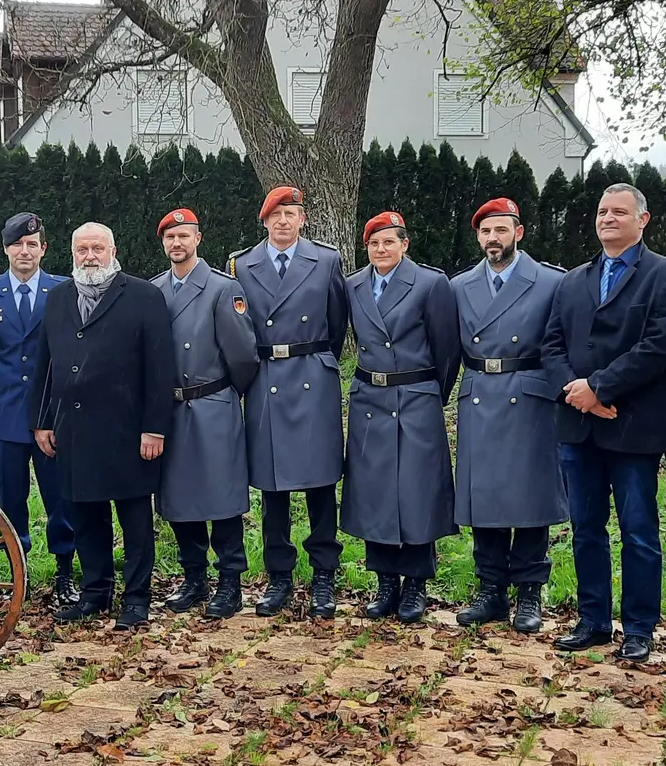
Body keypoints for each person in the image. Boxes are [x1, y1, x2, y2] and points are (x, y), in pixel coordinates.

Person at [543, 183, 666, 662]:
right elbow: (551, 345)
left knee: (638, 529)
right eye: (603, 211)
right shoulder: (572, 280)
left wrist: (601, 389)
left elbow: (658, 347)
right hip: (579, 425)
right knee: (586, 527)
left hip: (632, 424)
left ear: (642, 220)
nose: (608, 218)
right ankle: (592, 620)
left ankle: (640, 628)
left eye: (620, 212)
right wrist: (579, 394)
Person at [31, 222, 176, 630]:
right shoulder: (58, 298)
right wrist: (41, 421)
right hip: (74, 428)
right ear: (72, 253)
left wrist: (155, 427)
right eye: (82, 249)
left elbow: (160, 367)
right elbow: (46, 365)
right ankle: (95, 593)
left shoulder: (144, 296)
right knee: (85, 515)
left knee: (134, 518)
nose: (89, 256)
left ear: (113, 250)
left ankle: (136, 599)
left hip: (128, 431)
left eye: (97, 248)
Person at [226, 186, 349, 618]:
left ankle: (324, 575)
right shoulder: (242, 264)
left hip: (312, 374)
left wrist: (315, 360)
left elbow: (336, 326)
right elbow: (239, 327)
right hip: (265, 377)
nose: (283, 221)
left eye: (291, 213)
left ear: (303, 219)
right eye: (276, 214)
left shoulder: (327, 260)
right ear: (264, 221)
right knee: (272, 485)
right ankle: (278, 576)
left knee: (319, 482)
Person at [451, 198, 568, 633]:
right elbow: (450, 348)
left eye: (501, 230)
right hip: (480, 391)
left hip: (530, 396)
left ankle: (530, 593)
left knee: (529, 499)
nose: (493, 239)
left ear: (518, 232)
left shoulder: (550, 282)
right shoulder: (460, 286)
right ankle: (491, 591)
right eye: (485, 231)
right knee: (485, 498)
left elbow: (561, 344)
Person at [342, 212, 461, 623]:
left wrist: (429, 393)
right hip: (369, 397)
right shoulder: (354, 285)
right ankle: (385, 582)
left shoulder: (431, 283)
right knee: (375, 492)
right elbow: (358, 338)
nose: (381, 250)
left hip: (415, 396)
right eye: (374, 244)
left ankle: (415, 585)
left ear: (404, 244)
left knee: (416, 491)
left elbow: (447, 350)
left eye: (389, 242)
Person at [148, 209, 259, 620]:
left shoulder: (221, 288)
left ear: (198, 239)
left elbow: (244, 356)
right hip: (170, 409)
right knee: (178, 498)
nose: (177, 244)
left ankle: (230, 581)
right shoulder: (154, 290)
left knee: (221, 497)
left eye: (184, 236)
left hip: (212, 404)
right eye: (170, 237)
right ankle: (194, 578)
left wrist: (224, 394)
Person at [0, 212, 79, 605]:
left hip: (52, 415)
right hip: (5, 413)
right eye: (17, 244)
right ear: (6, 249)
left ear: (44, 249)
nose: (24, 250)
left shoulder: (63, 290)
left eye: (32, 244)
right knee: (10, 500)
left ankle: (65, 573)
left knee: (60, 498)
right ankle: (19, 574)